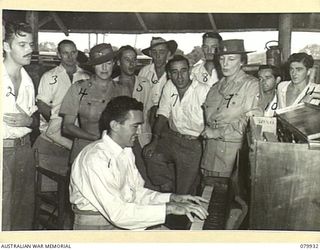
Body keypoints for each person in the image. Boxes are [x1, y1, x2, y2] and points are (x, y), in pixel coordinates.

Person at [70, 96, 208, 230]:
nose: (139, 132)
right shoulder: (95, 158)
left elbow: (136, 193)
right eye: (135, 126)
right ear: (115, 125)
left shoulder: (125, 151)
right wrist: (169, 208)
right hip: (96, 229)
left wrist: (172, 198)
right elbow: (118, 214)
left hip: (120, 221)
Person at [143, 55, 211, 195]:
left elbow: (211, 122)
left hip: (194, 144)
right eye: (174, 72)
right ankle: (166, 186)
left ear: (190, 71)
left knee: (183, 192)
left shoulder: (203, 90)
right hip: (172, 138)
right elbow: (162, 115)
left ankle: (180, 197)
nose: (179, 77)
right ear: (169, 74)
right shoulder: (169, 86)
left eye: (183, 71)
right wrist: (154, 141)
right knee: (150, 154)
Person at [201, 39, 262, 178]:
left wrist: (217, 132)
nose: (225, 63)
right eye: (222, 58)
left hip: (233, 161)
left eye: (231, 59)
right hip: (209, 157)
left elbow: (250, 124)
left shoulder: (251, 86)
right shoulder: (215, 88)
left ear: (242, 62)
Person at [59, 43, 129, 164]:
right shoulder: (78, 88)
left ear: (113, 63)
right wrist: (96, 139)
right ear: (93, 66)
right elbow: (67, 127)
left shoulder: (123, 90)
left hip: (114, 150)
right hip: (85, 148)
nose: (104, 68)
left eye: (108, 63)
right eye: (99, 64)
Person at [2, 22, 39, 230]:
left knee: (23, 212)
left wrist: (28, 122)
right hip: (3, 152)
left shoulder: (27, 80)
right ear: (6, 46)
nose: (30, 50)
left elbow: (34, 121)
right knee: (3, 212)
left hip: (24, 149)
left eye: (31, 44)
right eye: (22, 44)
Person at [33, 40, 90, 170]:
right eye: (65, 53)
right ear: (59, 55)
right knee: (47, 184)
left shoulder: (86, 76)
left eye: (73, 52)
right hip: (52, 138)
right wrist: (62, 127)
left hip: (78, 137)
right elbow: (42, 105)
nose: (70, 57)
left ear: (77, 52)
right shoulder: (49, 76)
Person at [138, 37, 178, 129]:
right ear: (151, 54)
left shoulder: (174, 73)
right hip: (146, 121)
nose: (158, 56)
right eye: (154, 52)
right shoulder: (144, 72)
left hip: (169, 122)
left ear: (168, 54)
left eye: (162, 52)